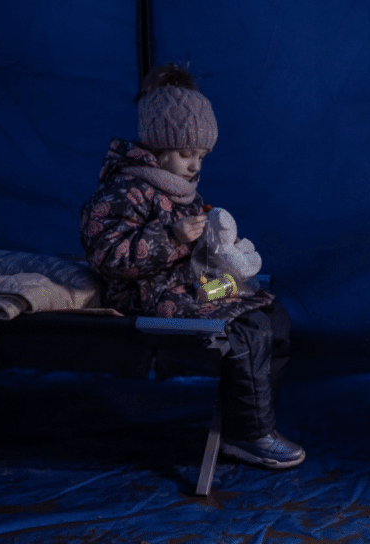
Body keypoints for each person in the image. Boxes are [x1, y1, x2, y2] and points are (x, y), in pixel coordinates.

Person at [80, 63, 305, 470]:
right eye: (186, 154)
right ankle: (247, 435)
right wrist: (173, 238)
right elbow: (108, 257)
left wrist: (221, 245)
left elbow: (200, 246)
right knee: (244, 328)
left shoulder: (179, 187)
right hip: (149, 294)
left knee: (268, 311)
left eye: (201, 156)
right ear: (157, 147)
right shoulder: (123, 189)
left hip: (196, 287)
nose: (195, 165)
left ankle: (252, 421)